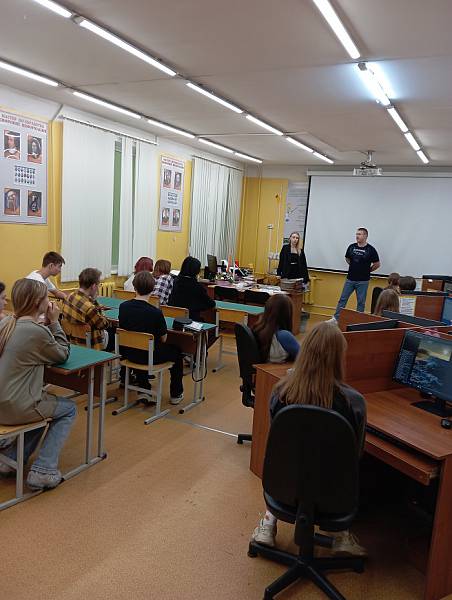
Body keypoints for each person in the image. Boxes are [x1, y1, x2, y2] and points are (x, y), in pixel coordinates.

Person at [251, 321, 367, 556]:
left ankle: (268, 524)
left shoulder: (280, 392)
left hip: (283, 488)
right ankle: (341, 535)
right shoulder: (354, 402)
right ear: (339, 357)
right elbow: (355, 454)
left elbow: (277, 448)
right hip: (335, 496)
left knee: (288, 461)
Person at [0, 278, 76, 490]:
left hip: (3, 404)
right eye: (46, 297)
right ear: (37, 302)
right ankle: (44, 470)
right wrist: (55, 322)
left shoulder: (6, 323)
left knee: (41, 407)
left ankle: (11, 459)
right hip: (16, 407)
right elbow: (62, 353)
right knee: (68, 408)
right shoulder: (36, 331)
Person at [119, 271, 184, 405]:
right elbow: (164, 339)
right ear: (153, 288)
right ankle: (176, 393)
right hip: (148, 357)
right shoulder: (155, 313)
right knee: (177, 352)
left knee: (141, 347)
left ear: (134, 287)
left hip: (128, 354)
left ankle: (143, 389)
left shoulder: (123, 307)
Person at [332, 228, 380, 321]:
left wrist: (367, 270)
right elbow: (347, 258)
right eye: (356, 234)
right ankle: (336, 318)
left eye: (359, 234)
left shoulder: (371, 249)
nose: (357, 236)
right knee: (342, 299)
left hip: (363, 281)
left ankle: (358, 321)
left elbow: (377, 264)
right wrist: (354, 266)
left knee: (361, 302)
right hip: (350, 279)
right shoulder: (351, 247)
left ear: (365, 236)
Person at [61, 268, 113, 350]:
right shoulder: (90, 308)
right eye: (98, 285)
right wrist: (96, 303)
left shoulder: (69, 297)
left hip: (72, 343)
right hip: (90, 345)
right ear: (93, 286)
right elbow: (103, 324)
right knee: (114, 333)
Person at [252, 295, 300, 363]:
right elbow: (305, 358)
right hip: (278, 368)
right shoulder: (284, 335)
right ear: (287, 313)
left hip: (262, 367)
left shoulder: (257, 328)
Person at [168, 256, 215, 321]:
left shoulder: (175, 281)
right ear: (197, 271)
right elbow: (210, 304)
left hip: (172, 318)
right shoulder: (197, 287)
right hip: (191, 320)